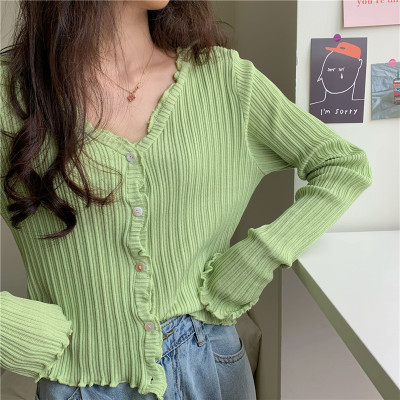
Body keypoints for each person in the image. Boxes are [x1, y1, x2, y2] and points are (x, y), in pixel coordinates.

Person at [0, 1, 372, 400]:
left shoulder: (224, 79)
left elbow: (344, 166)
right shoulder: (12, 95)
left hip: (211, 366)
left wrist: (257, 258)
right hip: (80, 381)